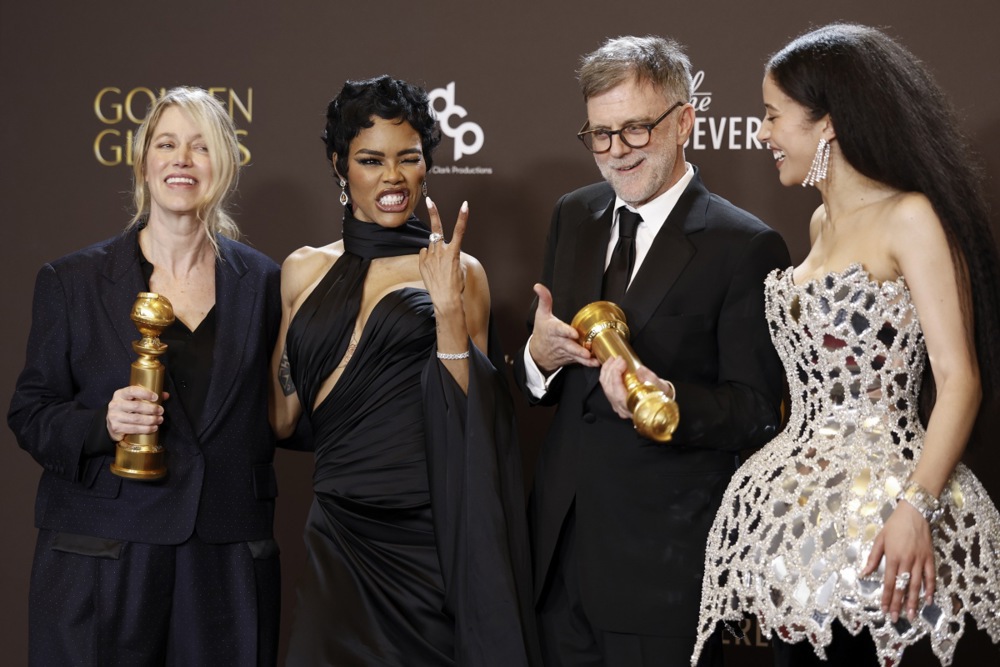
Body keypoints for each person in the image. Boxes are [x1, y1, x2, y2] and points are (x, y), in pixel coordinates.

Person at [692, 23, 1000, 667]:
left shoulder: (910, 217)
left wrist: (915, 508)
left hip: (889, 518)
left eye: (773, 115)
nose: (763, 133)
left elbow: (959, 378)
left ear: (826, 122)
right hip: (804, 523)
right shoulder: (820, 222)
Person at [513, 36, 790, 667]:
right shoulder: (573, 215)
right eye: (600, 134)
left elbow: (757, 411)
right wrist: (538, 358)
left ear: (684, 121)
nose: (617, 150)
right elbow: (547, 382)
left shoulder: (744, 245)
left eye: (636, 129)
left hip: (662, 569)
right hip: (557, 558)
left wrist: (670, 403)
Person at [270, 75, 539, 666]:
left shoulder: (460, 271)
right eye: (371, 160)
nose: (392, 177)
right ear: (340, 167)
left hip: (422, 534)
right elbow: (283, 418)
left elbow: (476, 420)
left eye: (408, 158)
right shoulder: (301, 270)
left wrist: (447, 311)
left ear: (426, 166)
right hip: (338, 530)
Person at [8, 87, 282, 665]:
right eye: (166, 144)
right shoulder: (71, 280)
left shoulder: (265, 283)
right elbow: (30, 411)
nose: (182, 159)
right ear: (142, 162)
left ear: (225, 165)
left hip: (224, 556)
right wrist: (101, 423)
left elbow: (285, 411)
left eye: (200, 146)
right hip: (103, 552)